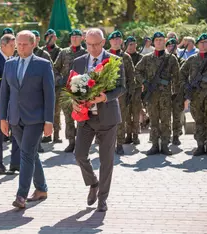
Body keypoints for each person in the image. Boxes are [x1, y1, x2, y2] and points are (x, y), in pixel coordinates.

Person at [0, 30, 55, 209]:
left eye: (25, 44)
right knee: (30, 154)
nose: (21, 47)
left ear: (33, 45)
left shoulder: (44, 65)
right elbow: (4, 93)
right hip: (15, 118)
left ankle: (21, 195)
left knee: (26, 154)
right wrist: (3, 118)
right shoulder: (9, 64)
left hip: (36, 118)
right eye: (19, 44)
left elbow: (50, 95)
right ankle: (41, 189)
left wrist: (49, 121)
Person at [72, 28, 125, 212]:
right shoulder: (78, 61)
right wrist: (74, 102)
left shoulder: (114, 61)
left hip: (108, 118)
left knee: (106, 161)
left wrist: (104, 97)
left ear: (103, 43)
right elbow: (73, 88)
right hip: (86, 119)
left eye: (96, 44)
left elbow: (121, 87)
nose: (93, 48)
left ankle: (103, 198)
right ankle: (93, 183)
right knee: (79, 155)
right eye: (89, 44)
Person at [135, 32, 180, 155]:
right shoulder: (147, 58)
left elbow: (177, 78)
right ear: (153, 42)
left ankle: (165, 145)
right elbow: (137, 71)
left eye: (161, 40)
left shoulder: (171, 58)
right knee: (154, 120)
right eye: (157, 40)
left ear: (164, 41)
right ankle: (155, 145)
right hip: (152, 94)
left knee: (166, 120)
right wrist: (144, 82)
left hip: (166, 95)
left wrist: (176, 94)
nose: (159, 42)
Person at [0, 34, 19, 175]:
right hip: (0, 106)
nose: (15, 48)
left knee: (16, 133)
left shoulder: (13, 59)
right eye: (12, 46)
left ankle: (15, 164)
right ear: (3, 46)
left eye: (15, 45)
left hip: (14, 104)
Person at [53, 29, 87, 152]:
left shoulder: (86, 53)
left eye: (77, 36)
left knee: (81, 117)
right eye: (72, 36)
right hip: (66, 90)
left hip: (81, 90)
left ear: (82, 38)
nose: (74, 38)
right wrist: (59, 79)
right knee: (68, 117)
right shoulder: (64, 52)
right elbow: (55, 68)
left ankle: (81, 143)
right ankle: (71, 142)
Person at [107, 31, 135, 155]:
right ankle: (107, 144)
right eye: (114, 40)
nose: (116, 41)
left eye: (119, 39)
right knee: (106, 119)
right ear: (110, 42)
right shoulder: (104, 55)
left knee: (120, 119)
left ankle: (119, 144)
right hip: (106, 93)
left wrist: (131, 94)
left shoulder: (126, 57)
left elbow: (131, 76)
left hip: (121, 94)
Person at [125, 36, 143, 145]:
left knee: (136, 112)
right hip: (125, 88)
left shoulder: (141, 57)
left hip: (136, 89)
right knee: (126, 112)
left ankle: (135, 134)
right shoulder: (123, 56)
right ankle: (128, 134)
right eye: (129, 44)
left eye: (133, 44)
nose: (131, 46)